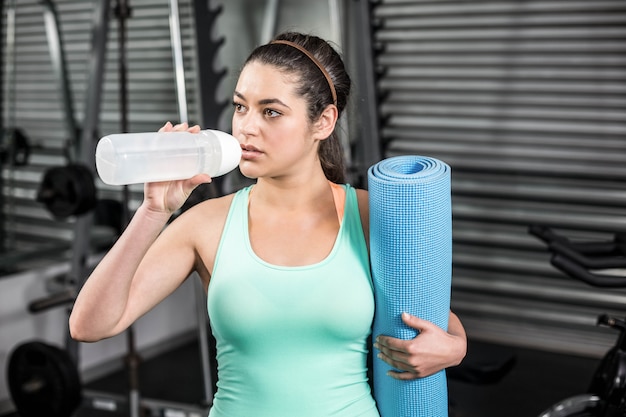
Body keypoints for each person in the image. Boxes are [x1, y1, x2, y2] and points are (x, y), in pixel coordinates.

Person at [70, 31, 466, 416]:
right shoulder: (207, 223)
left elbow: (432, 319)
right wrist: (153, 211)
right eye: (240, 106)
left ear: (324, 122)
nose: (246, 127)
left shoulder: (371, 216)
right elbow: (90, 324)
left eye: (271, 112)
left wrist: (456, 348)